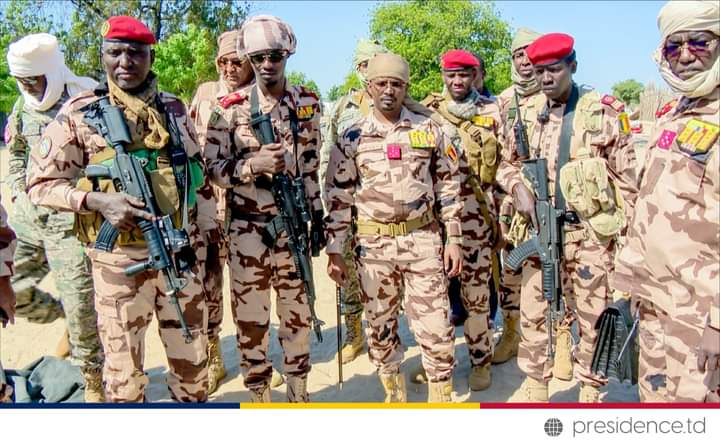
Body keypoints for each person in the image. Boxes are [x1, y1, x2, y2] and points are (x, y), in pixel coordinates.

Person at [26, 15, 216, 403]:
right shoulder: (81, 112)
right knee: (124, 382)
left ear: (150, 57)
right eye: (115, 53)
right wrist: (97, 201)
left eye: (135, 53)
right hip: (117, 266)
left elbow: (198, 178)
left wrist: (209, 244)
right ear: (103, 56)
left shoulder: (173, 109)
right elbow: (40, 185)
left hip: (178, 257)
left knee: (193, 373)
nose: (125, 62)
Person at [498, 33, 638, 402]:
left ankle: (590, 388)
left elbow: (629, 185)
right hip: (540, 231)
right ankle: (536, 385)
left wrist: (629, 251)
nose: (545, 78)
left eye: (554, 70)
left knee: (593, 318)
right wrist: (517, 187)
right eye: (539, 71)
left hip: (588, 236)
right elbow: (506, 165)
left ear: (572, 66)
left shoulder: (602, 113)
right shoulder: (527, 114)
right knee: (534, 314)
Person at [325, 53, 463, 403]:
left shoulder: (427, 129)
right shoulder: (352, 136)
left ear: (406, 87)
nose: (389, 90)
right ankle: (395, 396)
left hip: (423, 239)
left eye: (397, 84)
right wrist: (335, 251)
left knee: (436, 326)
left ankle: (441, 397)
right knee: (380, 326)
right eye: (382, 83)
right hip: (374, 247)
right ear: (370, 87)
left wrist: (454, 239)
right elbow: (338, 197)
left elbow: (448, 184)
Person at [203, 15, 323, 403]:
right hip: (247, 232)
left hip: (293, 228)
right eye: (258, 58)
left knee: (298, 316)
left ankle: (298, 393)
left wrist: (317, 215)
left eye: (275, 56)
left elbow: (311, 165)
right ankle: (259, 396)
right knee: (251, 322)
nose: (267, 64)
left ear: (287, 54)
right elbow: (212, 169)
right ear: (249, 60)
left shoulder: (307, 103)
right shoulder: (229, 109)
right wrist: (252, 166)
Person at [612, 0, 719, 403]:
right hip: (656, 300)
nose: (686, 56)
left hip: (701, 314)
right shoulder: (674, 113)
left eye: (699, 42)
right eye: (675, 46)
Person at [5, 33, 104, 402]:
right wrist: (19, 190)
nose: (29, 87)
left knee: (82, 312)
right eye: (22, 81)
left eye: (34, 80)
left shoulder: (86, 100)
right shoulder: (22, 108)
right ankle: (71, 317)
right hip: (31, 221)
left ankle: (93, 381)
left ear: (51, 72)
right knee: (11, 290)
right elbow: (16, 152)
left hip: (72, 227)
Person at [420, 49, 503, 391]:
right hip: (436, 224)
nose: (457, 81)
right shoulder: (427, 112)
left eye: (464, 75)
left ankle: (481, 361)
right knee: (434, 302)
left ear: (474, 76)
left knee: (477, 298)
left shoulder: (494, 111)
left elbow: (507, 163)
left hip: (477, 222)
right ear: (443, 76)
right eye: (451, 75)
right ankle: (438, 363)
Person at [189, 29, 253, 395]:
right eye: (223, 62)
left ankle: (254, 360)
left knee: (249, 291)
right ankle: (214, 356)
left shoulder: (260, 97)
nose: (229, 68)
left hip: (246, 209)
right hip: (207, 208)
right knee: (208, 287)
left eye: (237, 62)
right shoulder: (204, 95)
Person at [319, 38, 389, 365]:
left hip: (384, 208)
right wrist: (327, 199)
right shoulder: (341, 107)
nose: (369, 70)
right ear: (358, 68)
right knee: (346, 271)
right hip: (349, 206)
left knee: (383, 275)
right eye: (365, 64)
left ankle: (383, 334)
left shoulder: (395, 101)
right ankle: (354, 334)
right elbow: (327, 154)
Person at [492, 27, 544, 366]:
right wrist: (515, 186)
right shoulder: (503, 102)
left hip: (551, 203)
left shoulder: (556, 94)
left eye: (529, 53)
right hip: (513, 206)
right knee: (510, 272)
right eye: (517, 55)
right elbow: (497, 158)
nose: (524, 60)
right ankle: (511, 333)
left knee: (554, 271)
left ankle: (560, 338)